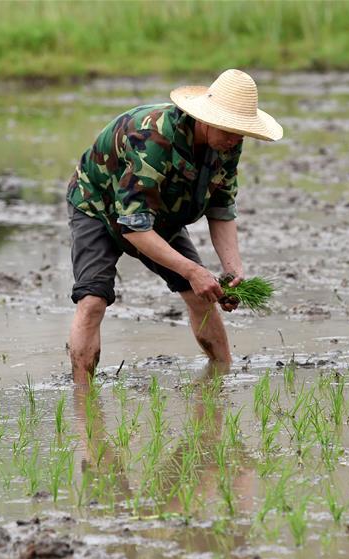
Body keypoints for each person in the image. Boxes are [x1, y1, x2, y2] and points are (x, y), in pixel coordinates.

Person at [66, 69, 283, 387]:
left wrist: (232, 269)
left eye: (242, 132)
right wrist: (193, 271)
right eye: (231, 129)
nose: (236, 139)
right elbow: (134, 228)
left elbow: (221, 207)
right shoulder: (152, 138)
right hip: (97, 205)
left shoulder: (228, 143)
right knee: (92, 300)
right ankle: (83, 400)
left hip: (158, 211)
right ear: (207, 119)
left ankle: (220, 381)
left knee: (201, 297)